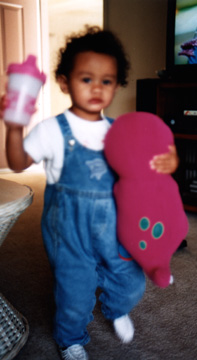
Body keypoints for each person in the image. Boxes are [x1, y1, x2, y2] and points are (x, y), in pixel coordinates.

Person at [1, 27, 179, 360]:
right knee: (74, 291)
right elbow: (18, 162)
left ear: (117, 83)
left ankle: (116, 308)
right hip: (69, 231)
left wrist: (168, 160)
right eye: (86, 79)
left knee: (129, 280)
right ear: (65, 82)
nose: (97, 88)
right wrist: (13, 126)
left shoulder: (120, 131)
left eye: (107, 80)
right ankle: (70, 339)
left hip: (116, 227)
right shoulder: (52, 130)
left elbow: (148, 167)